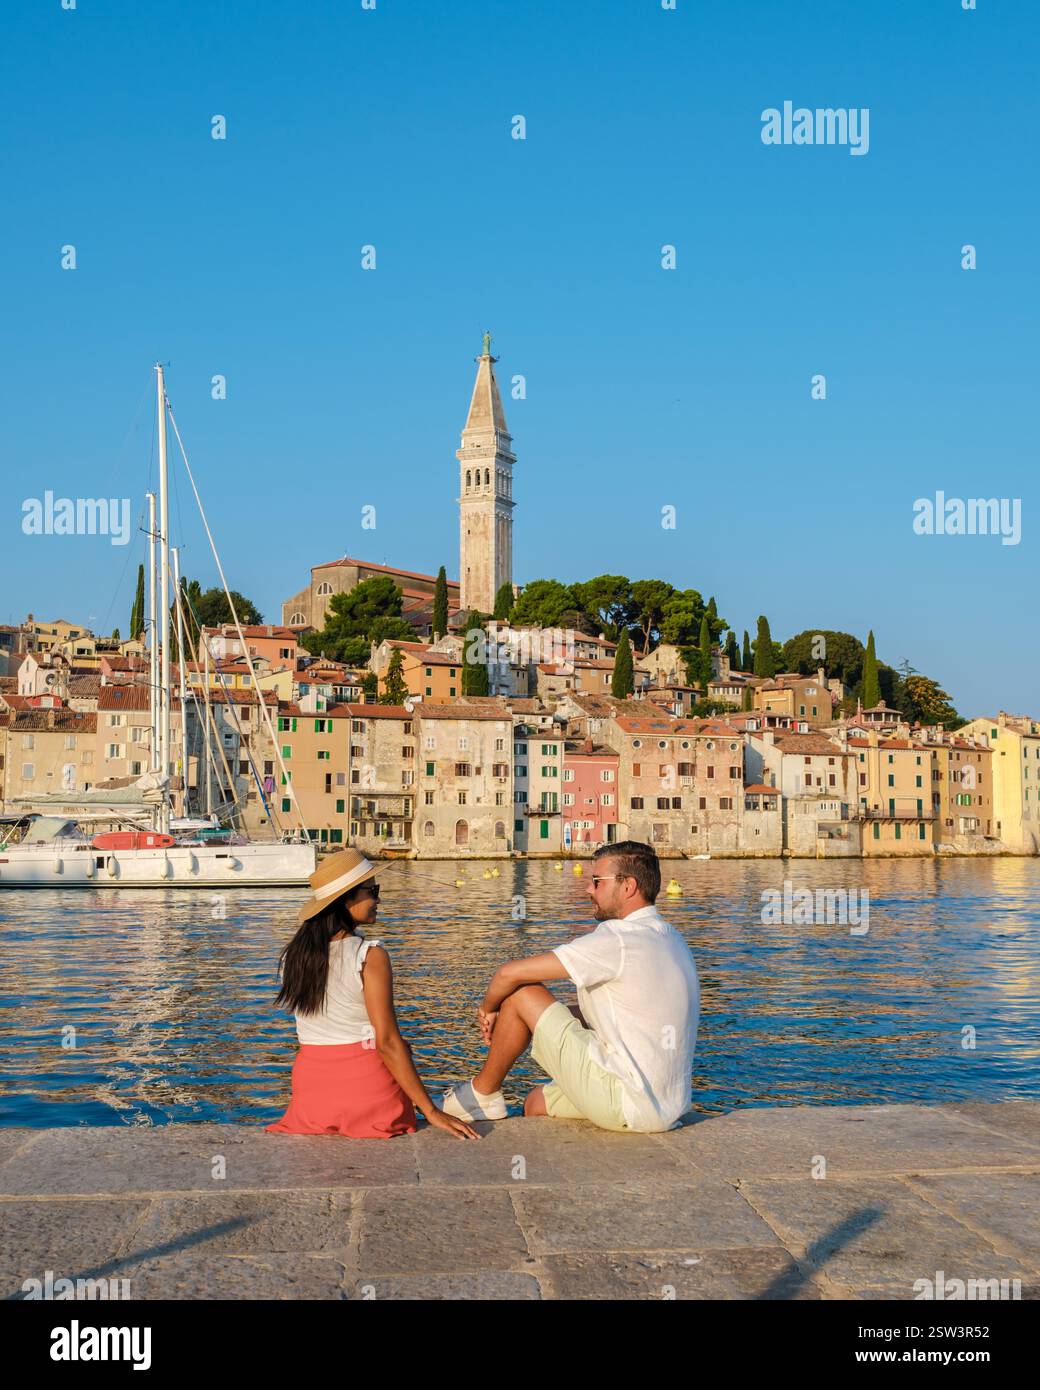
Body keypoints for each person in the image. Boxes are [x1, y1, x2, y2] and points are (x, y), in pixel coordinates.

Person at [441, 840, 699, 1133]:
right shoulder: (672, 937)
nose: (589, 889)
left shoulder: (619, 938)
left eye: (597, 882)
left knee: (521, 992)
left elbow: (508, 974)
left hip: (627, 1100)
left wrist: (488, 1009)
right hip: (667, 1105)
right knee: (535, 1103)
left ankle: (481, 1094)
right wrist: (529, 1020)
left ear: (628, 886)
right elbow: (626, 1014)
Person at [266, 848, 478, 1141]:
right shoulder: (369, 955)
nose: (379, 899)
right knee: (398, 1046)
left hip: (311, 1099)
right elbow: (386, 1042)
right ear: (345, 899)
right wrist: (430, 1110)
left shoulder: (294, 957)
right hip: (367, 1097)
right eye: (372, 891)